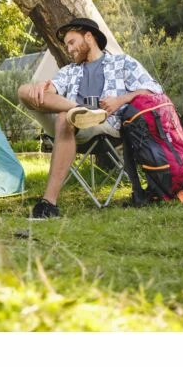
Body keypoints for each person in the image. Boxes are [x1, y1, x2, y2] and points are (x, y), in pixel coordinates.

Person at [16, 17, 163, 225]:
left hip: (107, 125)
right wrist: (41, 88)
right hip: (74, 123)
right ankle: (78, 109)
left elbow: (155, 90)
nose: (69, 49)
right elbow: (52, 89)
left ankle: (48, 203)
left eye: (71, 42)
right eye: (66, 45)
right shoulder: (70, 70)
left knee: (64, 118)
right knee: (24, 91)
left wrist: (120, 100)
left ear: (88, 37)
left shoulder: (122, 63)